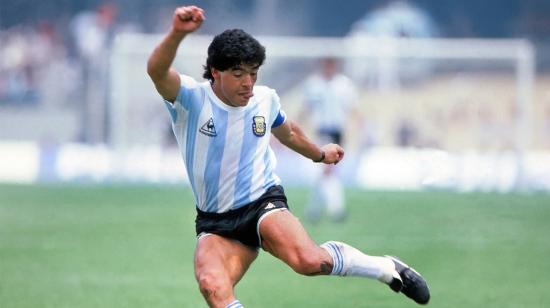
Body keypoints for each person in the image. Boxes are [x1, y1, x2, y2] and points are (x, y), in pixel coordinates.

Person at [147, 5, 430, 308]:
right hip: (215, 222)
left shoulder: (265, 99)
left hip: (262, 203)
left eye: (253, 73)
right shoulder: (191, 98)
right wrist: (177, 33)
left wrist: (320, 154)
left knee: (310, 261)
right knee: (213, 287)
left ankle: (387, 269)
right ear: (215, 72)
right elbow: (157, 71)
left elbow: (289, 132)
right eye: (238, 73)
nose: (248, 83)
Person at [301, 57, 359, 223]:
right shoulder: (313, 84)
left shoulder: (344, 84)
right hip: (322, 131)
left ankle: (315, 210)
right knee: (328, 171)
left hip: (338, 132)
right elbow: (306, 107)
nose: (329, 68)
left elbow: (352, 108)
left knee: (326, 173)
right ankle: (336, 210)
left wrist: (359, 127)